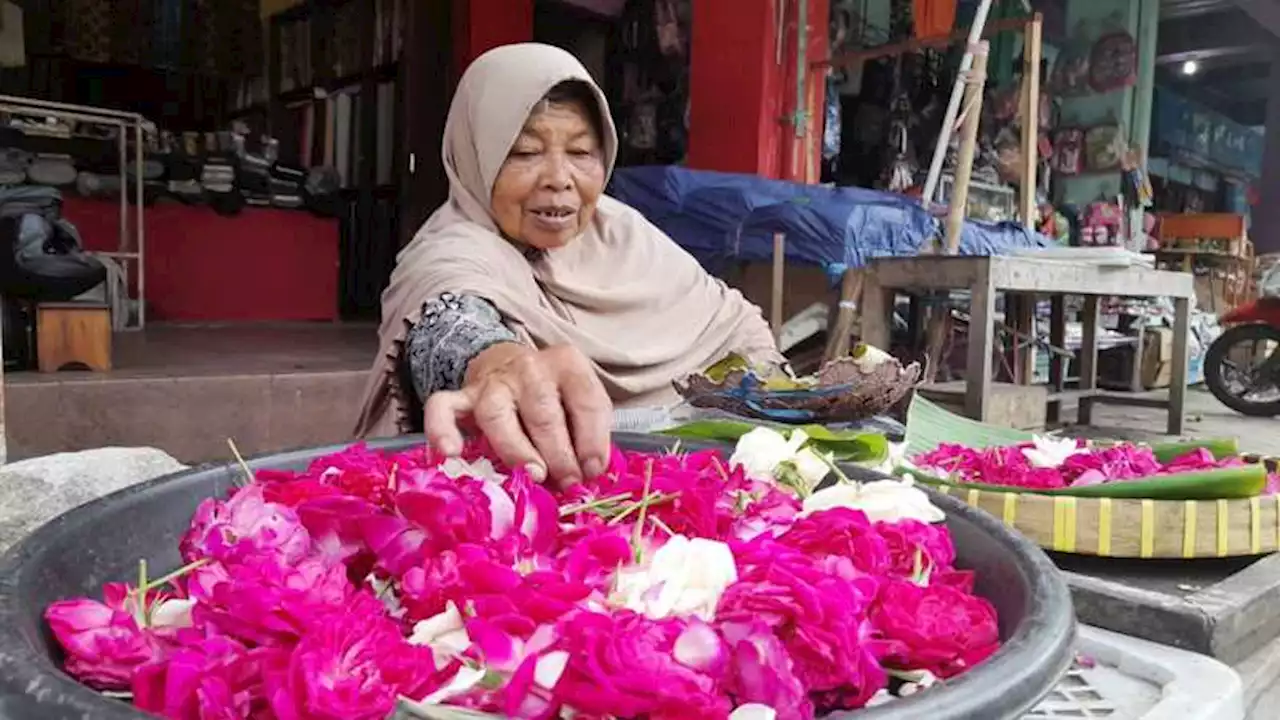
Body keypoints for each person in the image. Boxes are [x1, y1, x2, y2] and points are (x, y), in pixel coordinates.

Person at [355, 43, 779, 486]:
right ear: (476, 152)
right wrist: (497, 367)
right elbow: (447, 321)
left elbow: (734, 324)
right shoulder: (452, 249)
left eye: (580, 153)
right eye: (524, 153)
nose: (559, 179)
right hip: (521, 500)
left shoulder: (620, 232)